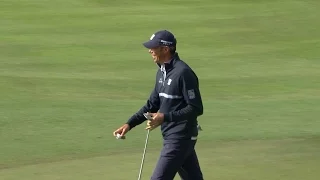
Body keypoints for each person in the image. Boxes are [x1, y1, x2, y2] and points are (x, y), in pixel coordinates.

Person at [113, 30, 204, 180]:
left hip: (180, 137)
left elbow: (196, 108)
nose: (150, 50)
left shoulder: (183, 73)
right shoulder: (162, 72)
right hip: (174, 136)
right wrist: (129, 124)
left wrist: (165, 117)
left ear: (166, 49)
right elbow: (152, 105)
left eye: (153, 47)